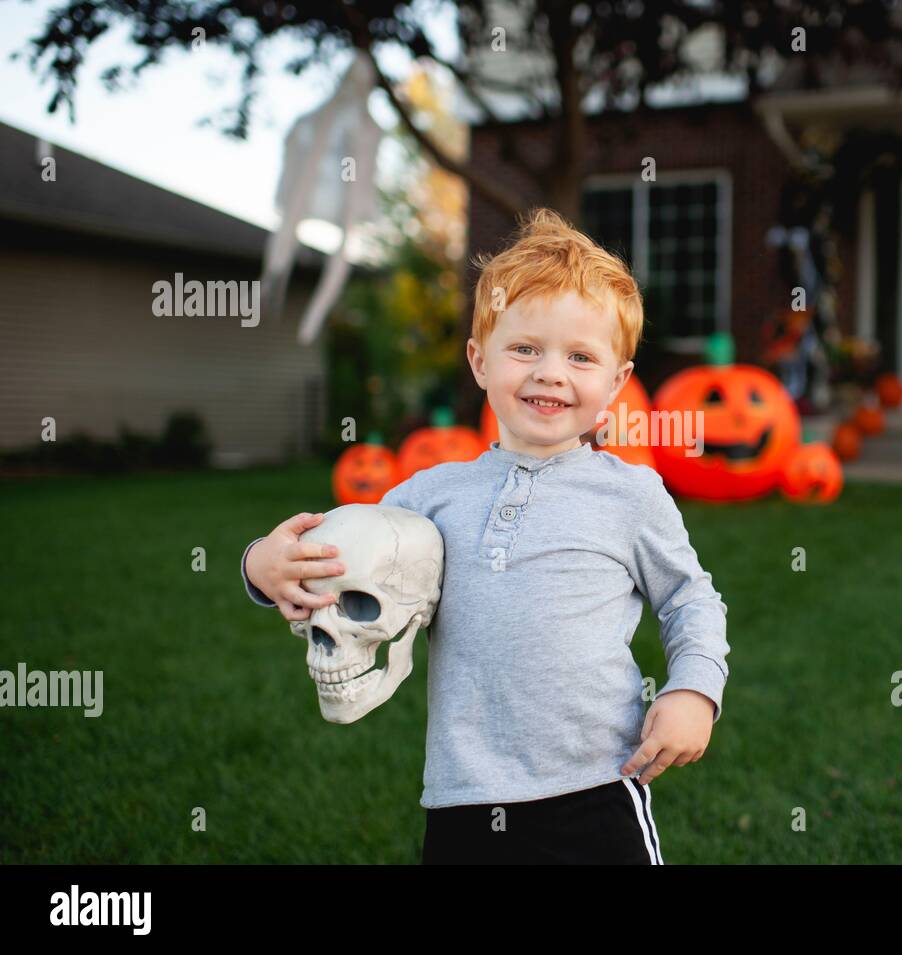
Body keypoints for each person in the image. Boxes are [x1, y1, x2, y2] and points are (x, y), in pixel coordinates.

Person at [240, 208, 730, 864]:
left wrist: (693, 689)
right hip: (463, 797)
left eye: (580, 356)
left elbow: (689, 599)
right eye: (525, 347)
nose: (550, 372)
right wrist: (262, 566)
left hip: (596, 786)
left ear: (616, 383)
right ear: (479, 359)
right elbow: (340, 554)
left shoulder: (630, 494)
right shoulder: (430, 493)